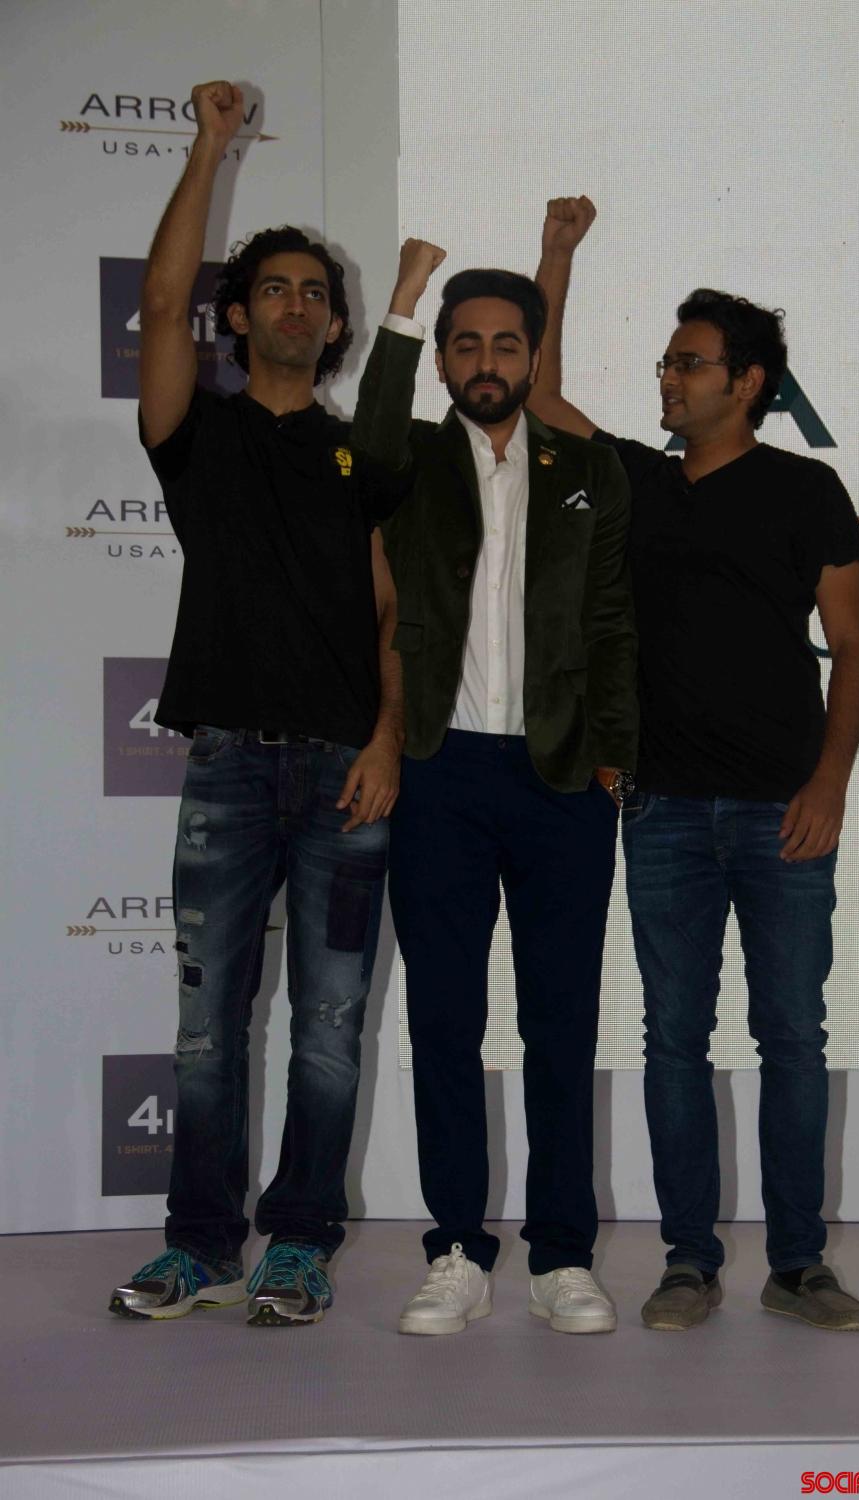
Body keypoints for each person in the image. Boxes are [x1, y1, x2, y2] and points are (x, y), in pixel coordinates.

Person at [109, 79, 443, 1327]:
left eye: (316, 291)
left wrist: (388, 738)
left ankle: (297, 1243)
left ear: (336, 323)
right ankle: (199, 1247)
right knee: (207, 1027)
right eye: (275, 289)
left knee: (331, 1028)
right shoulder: (196, 436)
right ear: (240, 316)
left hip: (348, 775)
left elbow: (392, 616)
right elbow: (159, 304)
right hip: (229, 772)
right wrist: (211, 144)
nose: (297, 303)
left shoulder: (365, 459)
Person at [530, 197, 859, 1332]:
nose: (669, 379)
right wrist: (556, 257)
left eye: (689, 364)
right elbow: (539, 395)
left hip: (785, 812)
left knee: (793, 1039)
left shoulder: (805, 490)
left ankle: (799, 1265)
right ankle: (687, 1261)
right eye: (666, 363)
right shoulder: (637, 479)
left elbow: (856, 648)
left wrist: (828, 785)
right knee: (673, 1040)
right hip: (666, 812)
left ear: (749, 381)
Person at [364, 268, 637, 1335]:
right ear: (442, 361)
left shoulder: (587, 467)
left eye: (506, 344)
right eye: (465, 344)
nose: (486, 362)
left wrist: (612, 754)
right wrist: (402, 302)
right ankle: (454, 1249)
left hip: (562, 778)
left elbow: (612, 616)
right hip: (439, 771)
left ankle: (561, 1255)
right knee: (444, 1016)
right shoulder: (408, 459)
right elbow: (371, 434)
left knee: (561, 1020)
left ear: (532, 357)